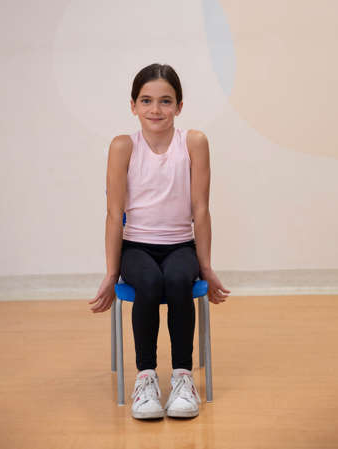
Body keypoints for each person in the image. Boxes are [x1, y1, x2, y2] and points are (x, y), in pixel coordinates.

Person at [88, 63, 231, 420]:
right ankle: (146, 379)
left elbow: (201, 209)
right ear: (133, 105)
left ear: (179, 106)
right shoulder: (123, 146)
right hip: (136, 248)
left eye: (166, 101)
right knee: (150, 281)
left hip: (181, 246)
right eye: (147, 100)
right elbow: (113, 213)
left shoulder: (193, 142)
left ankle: (183, 378)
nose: (156, 109)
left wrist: (207, 266)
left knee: (180, 279)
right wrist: (110, 273)